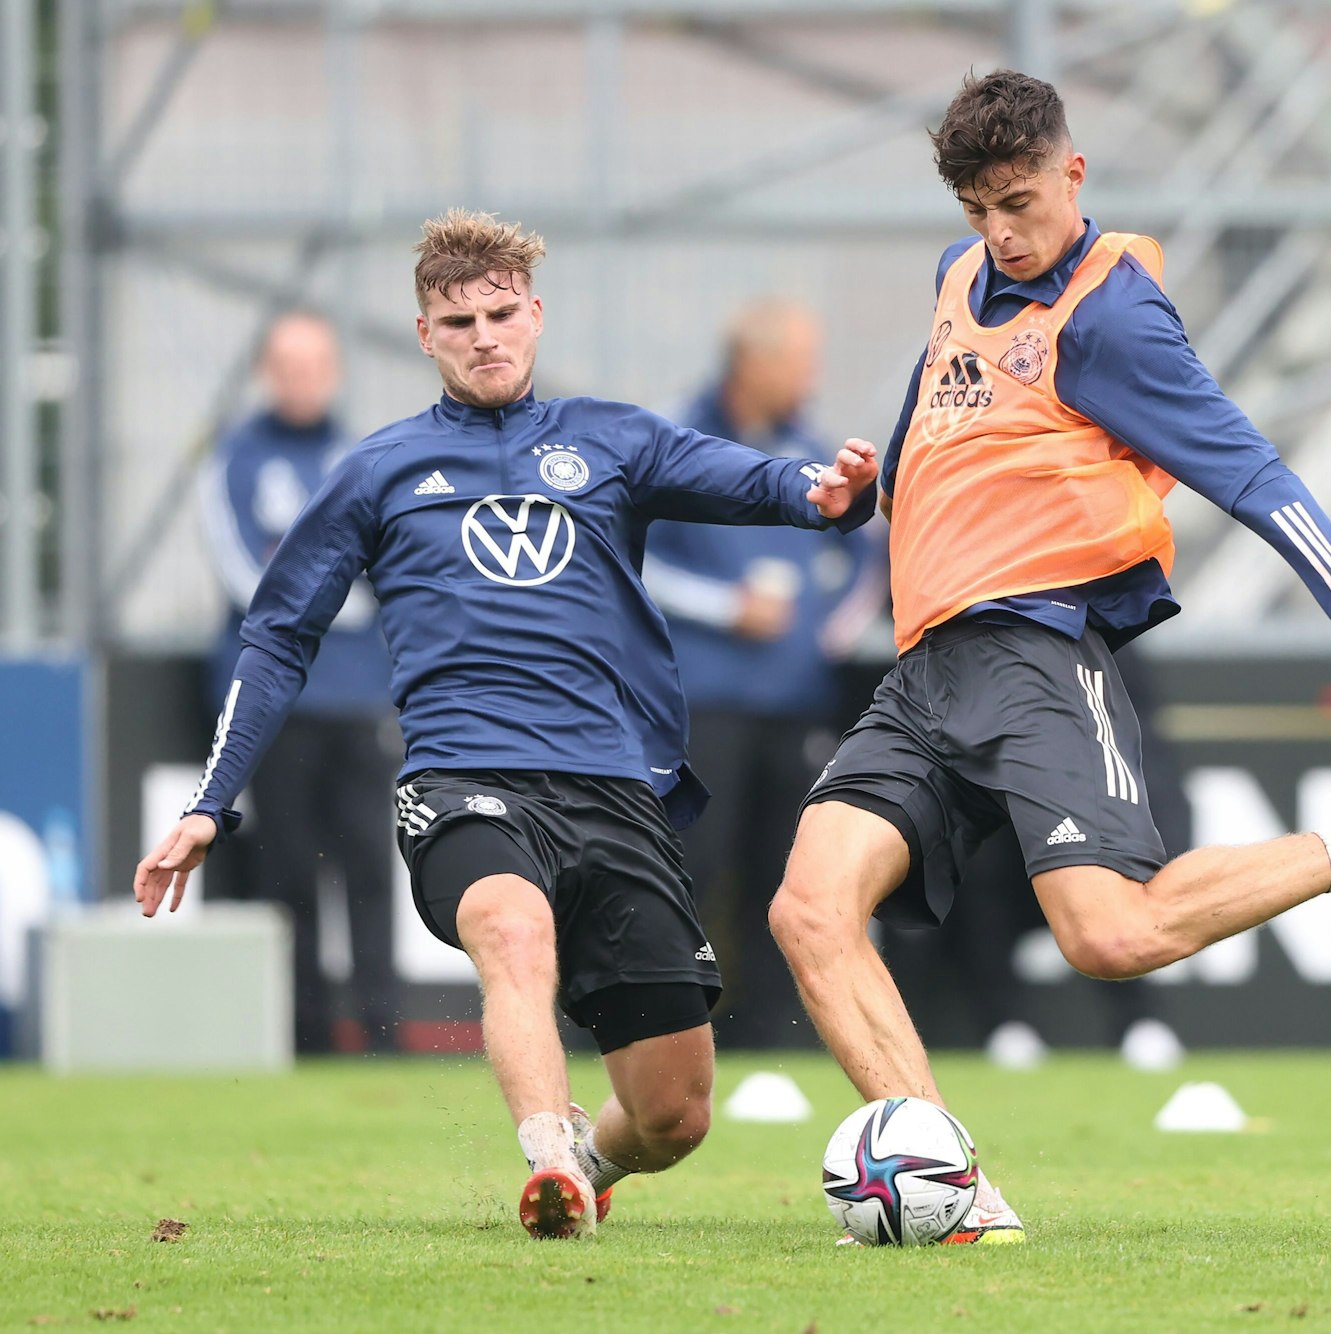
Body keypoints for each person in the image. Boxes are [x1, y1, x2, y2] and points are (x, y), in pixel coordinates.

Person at [767, 71, 1331, 1245]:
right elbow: (931, 427)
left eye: (1021, 201)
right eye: (980, 206)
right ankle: (951, 1184)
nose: (1002, 230)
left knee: (1113, 936)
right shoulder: (957, 276)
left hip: (1039, 652)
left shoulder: (1111, 315)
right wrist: (863, 493)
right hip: (926, 667)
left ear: (1074, 175)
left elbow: (1244, 463)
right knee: (809, 909)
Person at [135, 209, 878, 1240]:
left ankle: (595, 1155)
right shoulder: (376, 470)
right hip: (462, 776)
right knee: (512, 931)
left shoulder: (612, 439)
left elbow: (760, 482)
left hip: (615, 785)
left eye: (498, 312)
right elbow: (275, 637)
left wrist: (832, 495)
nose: (483, 334)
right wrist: (213, 802)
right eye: (456, 320)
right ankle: (549, 1160)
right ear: (426, 334)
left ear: (533, 313)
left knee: (673, 1110)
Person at [644, 298, 885, 1048]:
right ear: (756, 361)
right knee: (689, 866)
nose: (810, 379)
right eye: (800, 362)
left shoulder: (808, 446)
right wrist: (724, 607)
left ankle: (773, 1036)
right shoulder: (675, 443)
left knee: (785, 874)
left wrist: (825, 633)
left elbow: (863, 555)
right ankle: (656, 1023)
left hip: (794, 702)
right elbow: (627, 558)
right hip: (700, 704)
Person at [200, 311, 402, 1055]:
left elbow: (394, 563)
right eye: (287, 364)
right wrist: (329, 599)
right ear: (265, 372)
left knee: (370, 866)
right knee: (289, 868)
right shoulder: (232, 460)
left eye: (314, 363)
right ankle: (305, 1031)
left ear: (336, 370)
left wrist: (321, 597)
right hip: (277, 701)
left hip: (359, 695)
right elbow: (245, 575)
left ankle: (383, 1027)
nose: (301, 378)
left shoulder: (366, 459)